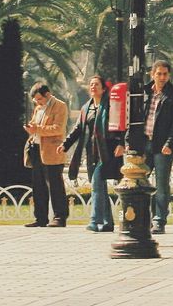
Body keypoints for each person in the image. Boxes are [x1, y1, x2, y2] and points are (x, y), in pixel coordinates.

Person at [64, 74, 123, 232]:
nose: (93, 87)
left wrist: (121, 143)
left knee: (97, 185)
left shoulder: (110, 106)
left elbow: (119, 126)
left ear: (103, 89)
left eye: (96, 84)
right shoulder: (86, 108)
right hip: (91, 153)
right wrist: (65, 145)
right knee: (100, 187)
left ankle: (94, 220)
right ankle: (108, 222)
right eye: (91, 84)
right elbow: (77, 130)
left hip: (106, 152)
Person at [143, 59, 173, 235]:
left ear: (169, 75)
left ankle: (159, 220)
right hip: (144, 144)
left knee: (161, 184)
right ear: (152, 74)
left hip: (162, 146)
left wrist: (170, 144)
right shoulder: (144, 93)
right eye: (158, 73)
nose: (162, 77)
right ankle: (141, 218)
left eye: (165, 74)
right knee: (140, 183)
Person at [23, 81, 69, 227]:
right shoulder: (38, 109)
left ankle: (60, 217)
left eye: (40, 99)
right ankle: (40, 218)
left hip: (52, 151)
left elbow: (58, 128)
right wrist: (30, 128)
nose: (38, 102)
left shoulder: (59, 106)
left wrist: (37, 129)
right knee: (38, 186)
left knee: (55, 185)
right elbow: (35, 125)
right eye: (36, 100)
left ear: (48, 95)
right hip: (36, 150)